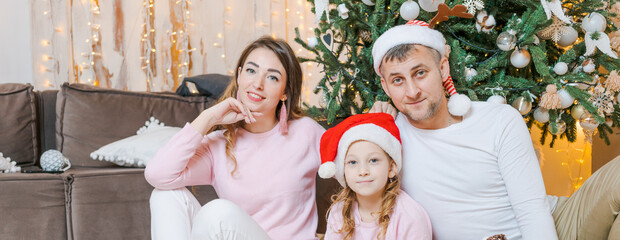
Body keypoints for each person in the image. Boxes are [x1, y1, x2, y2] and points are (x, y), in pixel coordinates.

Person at [369, 20, 620, 240]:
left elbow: (532, 210)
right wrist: (370, 129)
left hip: (557, 223)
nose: (412, 91)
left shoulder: (498, 119)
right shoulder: (384, 138)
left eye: (420, 73)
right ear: (386, 86)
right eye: (398, 80)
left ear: (443, 68)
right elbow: (336, 166)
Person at [144, 36, 325, 240]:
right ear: (239, 76)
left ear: (285, 91)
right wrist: (208, 117)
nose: (257, 83)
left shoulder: (306, 132)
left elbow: (356, 169)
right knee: (165, 194)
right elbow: (157, 174)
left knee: (218, 213)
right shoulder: (219, 142)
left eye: (272, 77)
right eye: (251, 70)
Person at [317, 113, 432, 240]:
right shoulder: (339, 212)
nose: (363, 171)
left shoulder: (409, 216)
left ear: (392, 168)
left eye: (373, 160)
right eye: (353, 162)